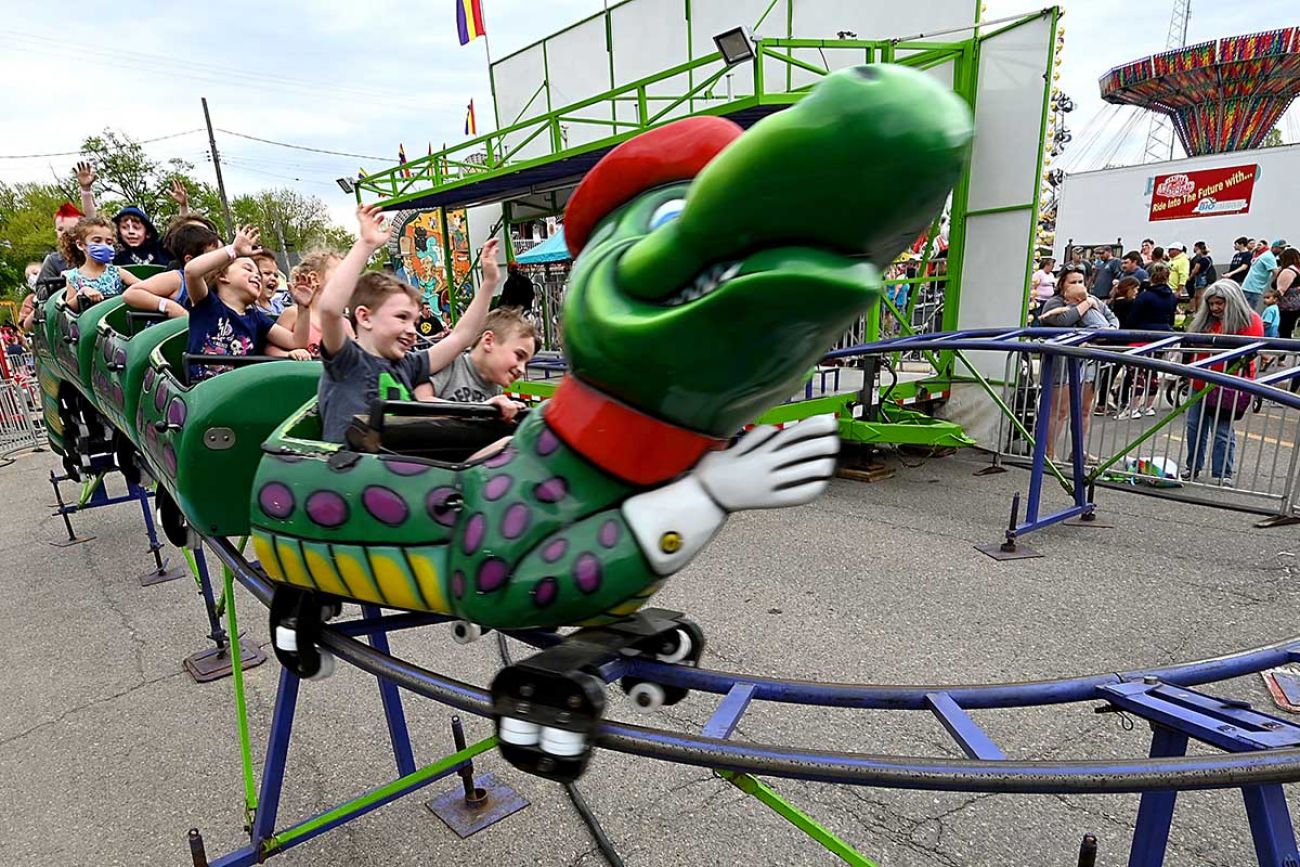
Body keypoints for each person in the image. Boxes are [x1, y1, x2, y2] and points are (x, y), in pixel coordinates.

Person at [315, 205, 502, 443]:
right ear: (364, 317)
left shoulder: (406, 365)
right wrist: (366, 244)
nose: (412, 331)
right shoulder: (347, 360)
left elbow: (460, 338)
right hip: (352, 469)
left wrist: (488, 283)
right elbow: (330, 310)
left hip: (397, 465)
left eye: (414, 322)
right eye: (402, 318)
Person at [182, 225, 314, 381]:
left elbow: (296, 341)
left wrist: (304, 308)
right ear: (223, 276)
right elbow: (191, 272)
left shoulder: (257, 319)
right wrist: (234, 251)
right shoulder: (207, 303)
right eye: (248, 269)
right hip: (204, 389)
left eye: (258, 274)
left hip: (239, 390)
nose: (257, 276)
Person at [1182, 280, 1264, 485]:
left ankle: (1223, 473)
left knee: (1222, 431)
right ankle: (1192, 467)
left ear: (1232, 302)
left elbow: (1249, 351)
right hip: (1200, 380)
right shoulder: (1205, 321)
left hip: (1229, 385)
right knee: (1194, 426)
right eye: (1211, 303)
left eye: (1220, 303)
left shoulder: (1250, 320)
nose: (1215, 308)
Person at [1035, 268, 1116, 459]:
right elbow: (1064, 320)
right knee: (1059, 411)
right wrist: (1085, 304)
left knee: (1084, 410)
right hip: (1062, 363)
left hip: (1088, 361)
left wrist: (1108, 326)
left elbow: (1112, 320)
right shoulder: (1055, 303)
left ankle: (1078, 452)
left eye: (1081, 281)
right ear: (1062, 284)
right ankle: (1048, 453)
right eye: (1073, 282)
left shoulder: (1093, 300)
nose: (1079, 285)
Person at [414, 307, 538, 404]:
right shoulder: (451, 364)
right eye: (519, 356)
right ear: (489, 341)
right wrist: (482, 408)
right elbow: (420, 400)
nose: (522, 370)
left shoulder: (495, 388)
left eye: (526, 363)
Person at [121, 220, 224, 317]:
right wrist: (169, 307)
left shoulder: (221, 281)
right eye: (214, 255)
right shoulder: (178, 279)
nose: (221, 259)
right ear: (190, 260)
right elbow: (131, 294)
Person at [268, 250, 345, 359]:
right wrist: (288, 354)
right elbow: (270, 349)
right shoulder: (293, 314)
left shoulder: (344, 323)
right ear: (314, 278)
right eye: (342, 272)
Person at [34, 162, 99, 289]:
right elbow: (41, 292)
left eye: (72, 230)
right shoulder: (53, 261)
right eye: (60, 229)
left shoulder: (92, 254)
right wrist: (60, 283)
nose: (65, 234)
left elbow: (93, 225)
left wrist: (86, 191)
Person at [60, 216, 141, 311]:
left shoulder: (117, 272)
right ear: (81, 245)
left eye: (109, 242)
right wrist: (82, 293)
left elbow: (144, 287)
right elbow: (69, 308)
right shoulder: (74, 277)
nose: (104, 246)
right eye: (97, 241)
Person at [1241, 239, 1283, 309]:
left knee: (1246, 310)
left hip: (1250, 287)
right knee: (1249, 312)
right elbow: (1276, 273)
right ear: (1274, 248)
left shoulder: (1267, 254)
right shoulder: (1270, 257)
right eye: (1281, 248)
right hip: (1252, 289)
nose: (1283, 250)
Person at [1273, 246, 1300, 340]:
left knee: (1284, 330)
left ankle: (1283, 351)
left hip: (1288, 307)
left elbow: (1281, 290)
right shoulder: (1297, 269)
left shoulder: (1288, 271)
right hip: (1297, 305)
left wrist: (1271, 299)